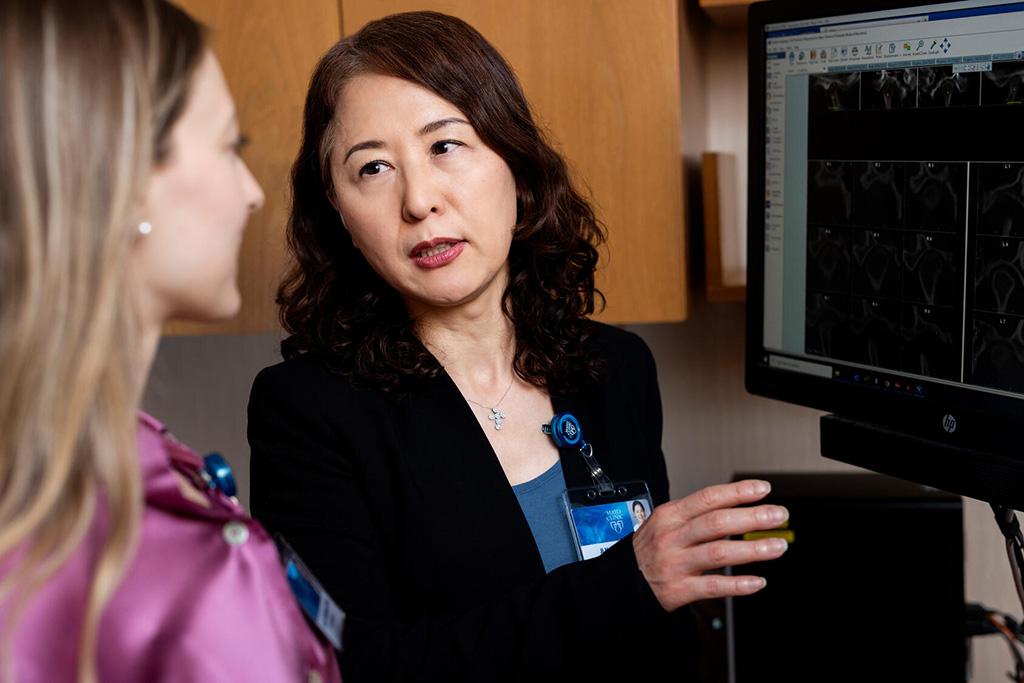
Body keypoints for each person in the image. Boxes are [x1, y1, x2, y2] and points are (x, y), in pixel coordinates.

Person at [248, 11, 789, 682]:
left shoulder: (615, 369)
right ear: (337, 209)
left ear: (516, 165)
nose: (419, 200)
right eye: (374, 168)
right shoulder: (307, 412)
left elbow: (662, 636)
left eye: (445, 146)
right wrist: (627, 582)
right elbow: (353, 668)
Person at [0, 1, 341, 681]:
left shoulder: (140, 457)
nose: (250, 193)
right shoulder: (159, 560)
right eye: (228, 146)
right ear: (122, 178)